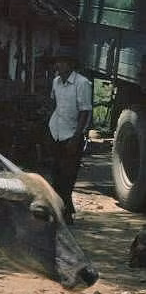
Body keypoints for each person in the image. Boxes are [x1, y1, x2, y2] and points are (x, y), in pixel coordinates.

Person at [48, 46, 92, 224]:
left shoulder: (82, 83)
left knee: (68, 175)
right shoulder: (56, 82)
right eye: (58, 61)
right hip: (56, 132)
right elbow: (54, 104)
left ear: (71, 64)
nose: (59, 65)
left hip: (72, 135)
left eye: (63, 61)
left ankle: (66, 212)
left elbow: (85, 111)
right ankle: (61, 210)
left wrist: (76, 137)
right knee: (56, 174)